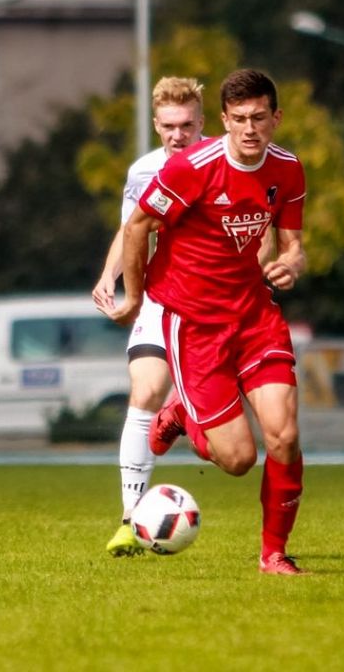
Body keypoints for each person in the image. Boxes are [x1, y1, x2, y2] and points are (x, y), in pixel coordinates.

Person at [106, 69, 308, 575]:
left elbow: (293, 244)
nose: (249, 129)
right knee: (239, 460)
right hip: (195, 325)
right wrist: (132, 297)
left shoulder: (288, 169)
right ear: (222, 120)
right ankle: (181, 415)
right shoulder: (191, 168)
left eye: (259, 118)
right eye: (238, 119)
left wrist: (292, 263)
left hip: (255, 317)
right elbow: (137, 227)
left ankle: (274, 553)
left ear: (275, 118)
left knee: (283, 434)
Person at [94, 76, 206, 556]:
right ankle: (129, 520)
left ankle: (183, 412)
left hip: (214, 303)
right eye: (168, 126)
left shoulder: (223, 164)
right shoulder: (144, 171)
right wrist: (110, 276)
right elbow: (130, 230)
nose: (177, 135)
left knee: (224, 452)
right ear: (156, 123)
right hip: (161, 295)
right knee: (143, 391)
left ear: (202, 122)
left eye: (186, 125)